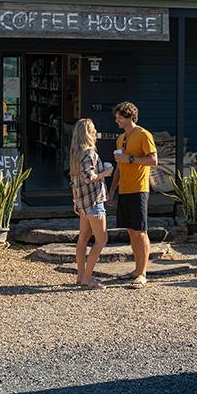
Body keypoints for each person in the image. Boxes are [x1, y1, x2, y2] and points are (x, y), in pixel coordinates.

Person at [108, 102, 158, 288]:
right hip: (125, 190)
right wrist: (112, 190)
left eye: (120, 116)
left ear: (130, 116)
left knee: (140, 231)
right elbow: (119, 168)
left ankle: (142, 273)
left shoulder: (144, 134)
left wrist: (130, 159)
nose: (117, 120)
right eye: (116, 117)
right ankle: (137, 269)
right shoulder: (120, 139)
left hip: (139, 189)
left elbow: (153, 160)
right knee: (131, 231)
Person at [69, 118, 113, 290]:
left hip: (83, 202)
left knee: (83, 239)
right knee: (102, 240)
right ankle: (87, 279)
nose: (95, 131)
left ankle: (80, 276)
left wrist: (75, 200)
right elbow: (90, 177)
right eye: (93, 129)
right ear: (87, 133)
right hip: (94, 201)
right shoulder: (89, 153)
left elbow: (73, 180)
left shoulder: (76, 154)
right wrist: (106, 172)